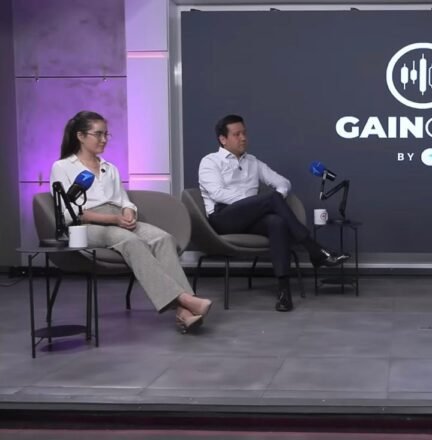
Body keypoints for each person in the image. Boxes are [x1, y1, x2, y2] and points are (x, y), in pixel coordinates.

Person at [50, 111, 212, 333]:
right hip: (85, 226)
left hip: (116, 216)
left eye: (106, 134)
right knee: (129, 240)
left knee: (163, 238)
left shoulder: (110, 168)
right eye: (98, 134)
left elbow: (123, 200)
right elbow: (70, 213)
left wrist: (127, 211)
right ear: (80, 136)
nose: (104, 139)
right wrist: (113, 219)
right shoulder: (62, 167)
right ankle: (186, 299)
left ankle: (184, 312)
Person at [198, 114, 348, 312]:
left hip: (251, 217)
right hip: (223, 219)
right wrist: (256, 201)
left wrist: (268, 201)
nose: (243, 138)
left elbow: (284, 183)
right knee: (271, 199)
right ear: (223, 139)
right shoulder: (210, 162)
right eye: (237, 134)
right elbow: (218, 193)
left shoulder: (253, 162)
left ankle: (284, 292)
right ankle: (314, 249)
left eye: (244, 133)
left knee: (277, 222)